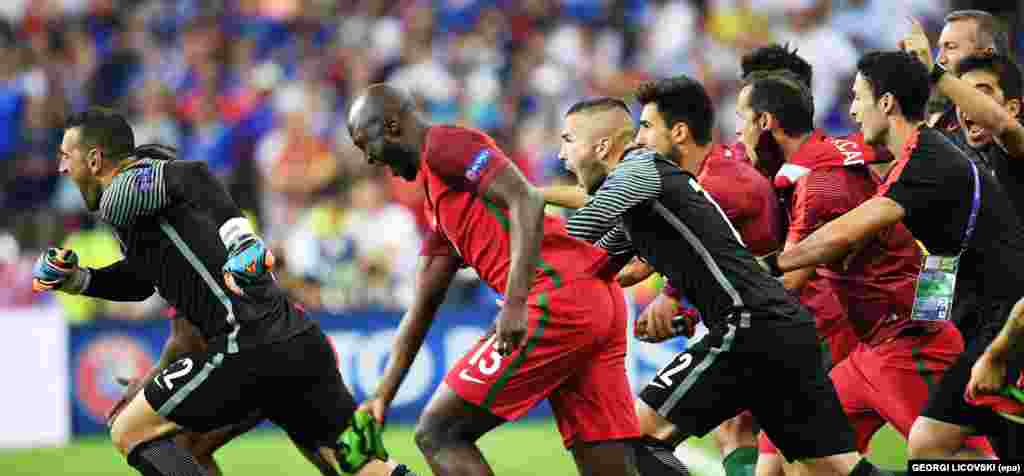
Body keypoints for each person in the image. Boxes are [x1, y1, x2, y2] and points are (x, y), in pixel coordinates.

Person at [31, 108, 413, 476]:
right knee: (363, 465)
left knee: (131, 430)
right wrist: (79, 280)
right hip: (297, 340)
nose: (62, 168)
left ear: (95, 159)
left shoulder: (127, 186)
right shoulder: (143, 211)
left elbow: (195, 175)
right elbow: (141, 279)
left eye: (67, 156)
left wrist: (240, 237)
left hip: (244, 346)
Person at [560, 76, 891, 476]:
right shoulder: (646, 197)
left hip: (749, 325)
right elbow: (588, 260)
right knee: (834, 466)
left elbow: (582, 228)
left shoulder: (640, 167)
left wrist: (522, 247)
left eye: (567, 140)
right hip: (783, 327)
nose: (562, 154)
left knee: (634, 439)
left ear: (600, 146)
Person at [346, 84, 645, 476]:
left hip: (555, 300)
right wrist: (382, 396)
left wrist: (516, 304)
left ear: (392, 125)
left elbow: (526, 199)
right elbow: (421, 306)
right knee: (605, 464)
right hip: (593, 297)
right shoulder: (442, 201)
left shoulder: (443, 145)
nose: (368, 158)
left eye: (365, 143)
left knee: (439, 433)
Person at [736, 70, 993, 474]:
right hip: (868, 346)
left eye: (741, 119)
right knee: (795, 452)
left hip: (907, 341)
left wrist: (718, 281)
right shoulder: (839, 160)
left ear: (765, 122)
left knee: (957, 459)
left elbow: (790, 279)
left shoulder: (821, 183)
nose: (737, 133)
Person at [777, 51, 1024, 459]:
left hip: (1004, 316)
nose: (852, 111)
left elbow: (848, 230)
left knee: (932, 446)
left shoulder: (927, 158)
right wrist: (931, 314)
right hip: (976, 315)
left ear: (887, 102)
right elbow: (944, 249)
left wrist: (775, 263)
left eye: (858, 97)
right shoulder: (922, 153)